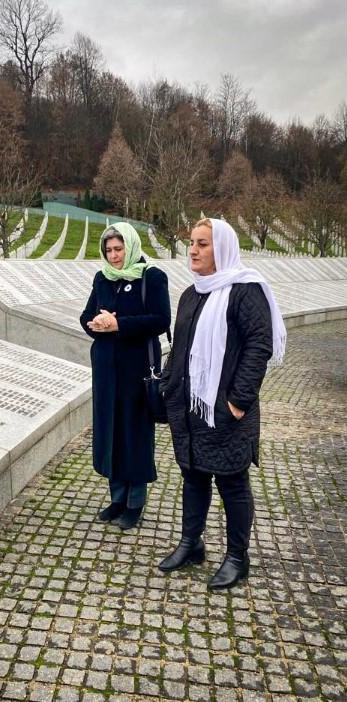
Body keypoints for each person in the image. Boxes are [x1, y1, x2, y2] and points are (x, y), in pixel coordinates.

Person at [157, 218, 285, 590]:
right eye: (192, 243)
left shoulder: (245, 292)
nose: (193, 251)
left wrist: (238, 402)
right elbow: (179, 347)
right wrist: (168, 386)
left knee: (232, 483)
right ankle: (191, 543)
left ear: (223, 249)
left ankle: (237, 557)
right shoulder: (191, 294)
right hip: (191, 407)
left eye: (203, 244)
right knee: (193, 475)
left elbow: (259, 346)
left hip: (226, 410)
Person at [80, 222, 170, 530]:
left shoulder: (152, 277)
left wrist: (120, 325)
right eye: (109, 250)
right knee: (111, 431)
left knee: (134, 433)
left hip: (137, 370)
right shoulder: (102, 278)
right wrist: (96, 322)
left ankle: (135, 503)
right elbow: (85, 314)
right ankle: (117, 498)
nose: (114, 256)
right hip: (106, 368)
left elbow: (160, 320)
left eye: (119, 249)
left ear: (130, 247)